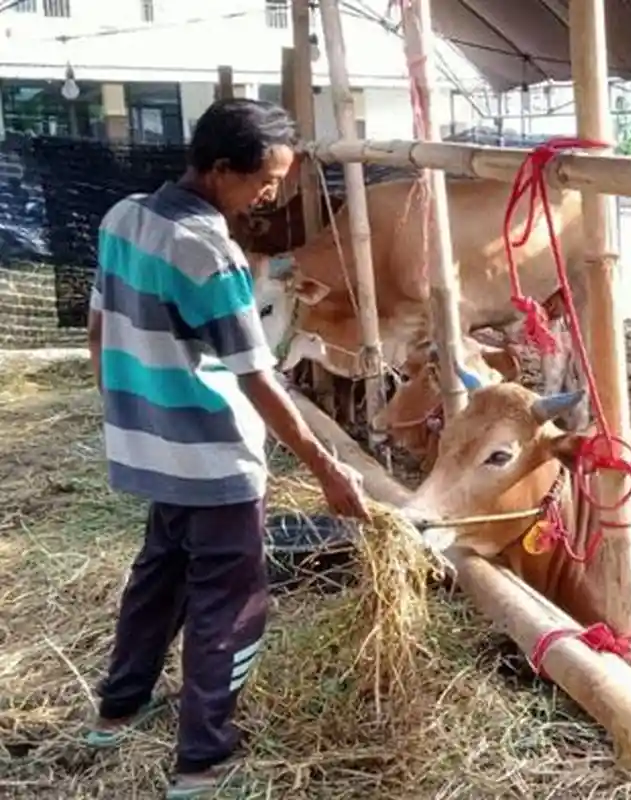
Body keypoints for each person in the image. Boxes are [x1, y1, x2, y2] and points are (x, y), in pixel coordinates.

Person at [83, 98, 370, 799]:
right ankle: (203, 760)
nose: (270, 194)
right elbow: (260, 382)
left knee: (159, 578)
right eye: (264, 179)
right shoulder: (211, 255)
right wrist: (328, 469)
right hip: (214, 461)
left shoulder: (123, 218)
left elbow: (98, 331)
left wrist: (129, 411)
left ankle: (117, 711)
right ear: (218, 169)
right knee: (231, 605)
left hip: (154, 453)